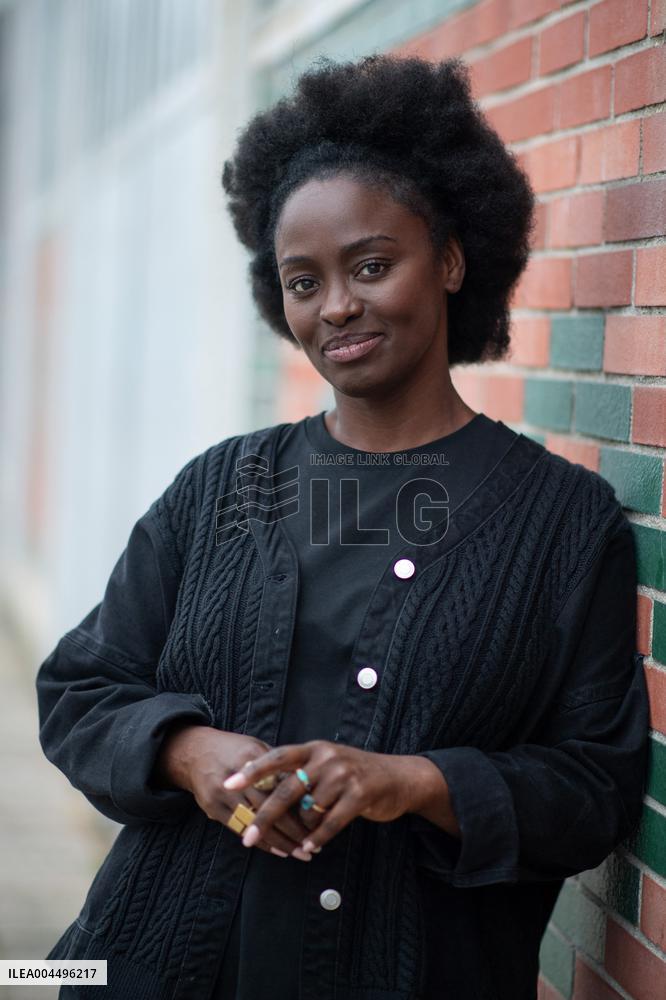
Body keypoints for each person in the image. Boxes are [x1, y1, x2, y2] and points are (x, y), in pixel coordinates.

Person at [36, 54, 649, 1000]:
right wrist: (190, 753)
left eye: (371, 265)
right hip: (148, 966)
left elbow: (595, 789)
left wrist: (416, 782)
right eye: (303, 280)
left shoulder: (562, 525)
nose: (338, 307)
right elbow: (81, 686)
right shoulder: (220, 490)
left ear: (449, 259)